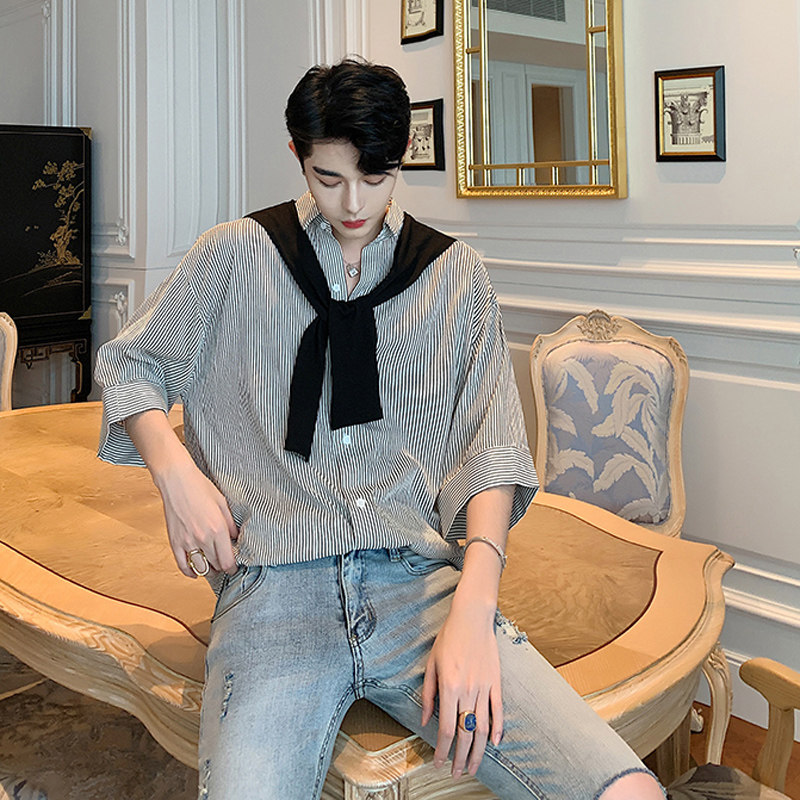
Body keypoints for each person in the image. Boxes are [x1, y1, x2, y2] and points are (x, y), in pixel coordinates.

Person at [95, 59, 666, 800]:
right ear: (298, 154)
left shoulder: (455, 275)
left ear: (402, 159)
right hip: (273, 593)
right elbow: (130, 365)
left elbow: (491, 448)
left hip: (420, 589)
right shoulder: (233, 255)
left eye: (376, 177)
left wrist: (474, 610)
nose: (353, 203)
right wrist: (176, 476)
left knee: (627, 791)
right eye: (328, 178)